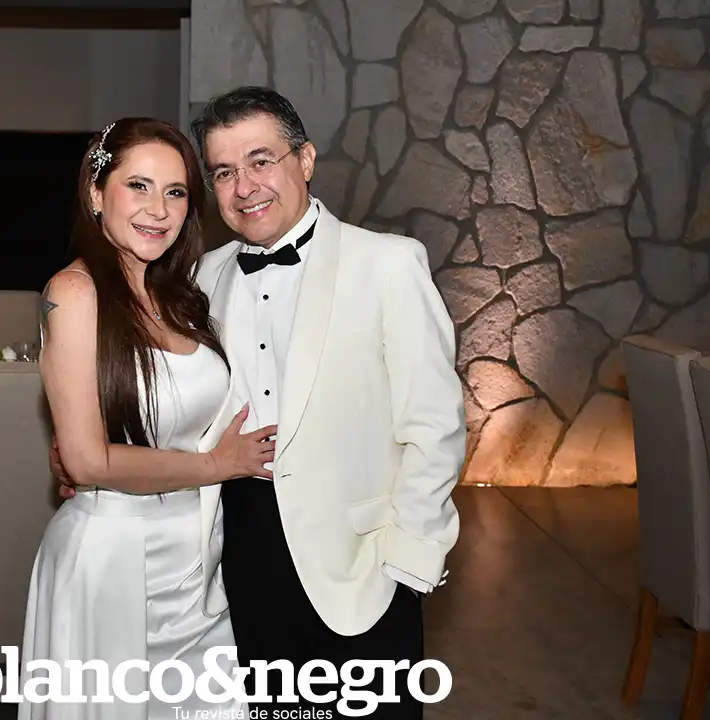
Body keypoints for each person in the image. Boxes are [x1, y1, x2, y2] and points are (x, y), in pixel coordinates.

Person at [53, 88, 467, 719]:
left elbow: (435, 426)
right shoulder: (198, 279)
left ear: (306, 160)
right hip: (237, 556)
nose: (244, 186)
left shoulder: (386, 263)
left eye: (261, 160)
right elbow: (162, 394)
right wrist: (85, 452)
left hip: (358, 564)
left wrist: (407, 562)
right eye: (223, 172)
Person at [17, 118, 277, 720]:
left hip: (195, 559)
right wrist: (216, 465)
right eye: (139, 186)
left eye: (176, 191)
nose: (159, 209)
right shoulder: (74, 292)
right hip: (115, 560)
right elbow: (87, 460)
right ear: (96, 193)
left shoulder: (179, 293)